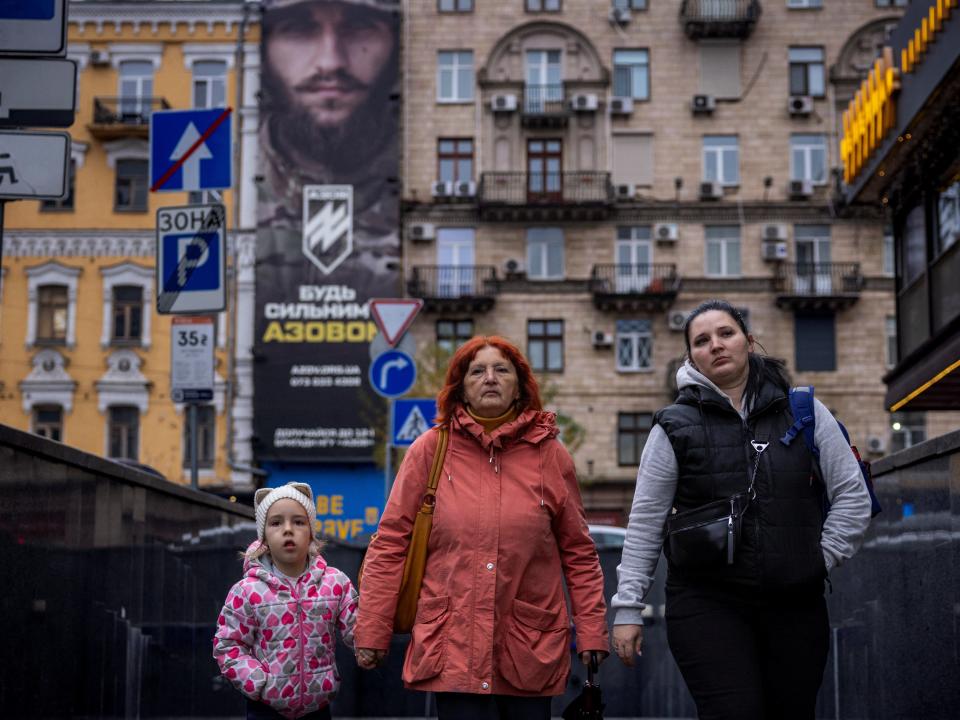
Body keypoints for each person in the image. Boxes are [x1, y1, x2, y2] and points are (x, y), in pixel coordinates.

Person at [611, 299, 873, 720]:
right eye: (701, 340)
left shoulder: (803, 411)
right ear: (691, 357)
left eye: (725, 333)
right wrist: (627, 609)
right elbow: (645, 524)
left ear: (748, 342)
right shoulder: (673, 426)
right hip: (706, 603)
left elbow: (852, 496)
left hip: (795, 603)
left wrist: (817, 560)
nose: (715, 345)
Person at [354, 336, 609, 720]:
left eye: (501, 369)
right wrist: (372, 630)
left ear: (520, 386)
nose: (490, 378)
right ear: (462, 388)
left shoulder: (550, 455)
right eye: (478, 371)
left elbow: (579, 552)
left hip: (529, 646)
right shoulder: (429, 449)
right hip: (451, 646)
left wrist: (591, 630)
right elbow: (391, 543)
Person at [258, 0, 399, 277]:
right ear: (264, 49)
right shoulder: (225, 181)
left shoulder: (420, 174)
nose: (330, 62)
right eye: (298, 29)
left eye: (359, 26)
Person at [214, 483, 358, 720]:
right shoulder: (247, 591)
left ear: (311, 532)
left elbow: (357, 628)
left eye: (299, 522)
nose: (288, 530)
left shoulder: (335, 583)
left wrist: (370, 645)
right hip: (265, 710)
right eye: (276, 523)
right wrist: (257, 682)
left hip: (318, 708)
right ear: (264, 537)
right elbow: (228, 645)